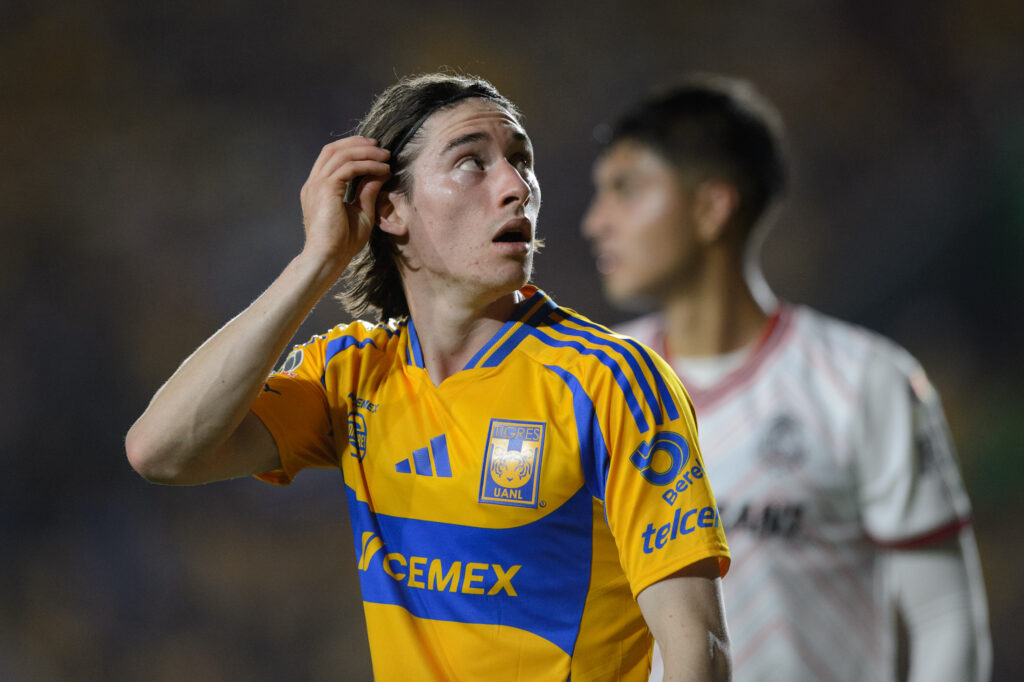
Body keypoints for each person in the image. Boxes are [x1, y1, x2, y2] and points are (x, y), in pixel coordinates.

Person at [125, 72, 732, 681]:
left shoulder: (611, 383)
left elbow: (696, 648)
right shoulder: (353, 376)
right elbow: (162, 450)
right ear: (389, 208)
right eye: (472, 162)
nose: (515, 187)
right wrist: (317, 262)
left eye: (521, 161)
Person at [582, 73, 992, 682]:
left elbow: (944, 617)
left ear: (711, 205)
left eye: (625, 189)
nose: (596, 221)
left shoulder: (867, 381)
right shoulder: (594, 379)